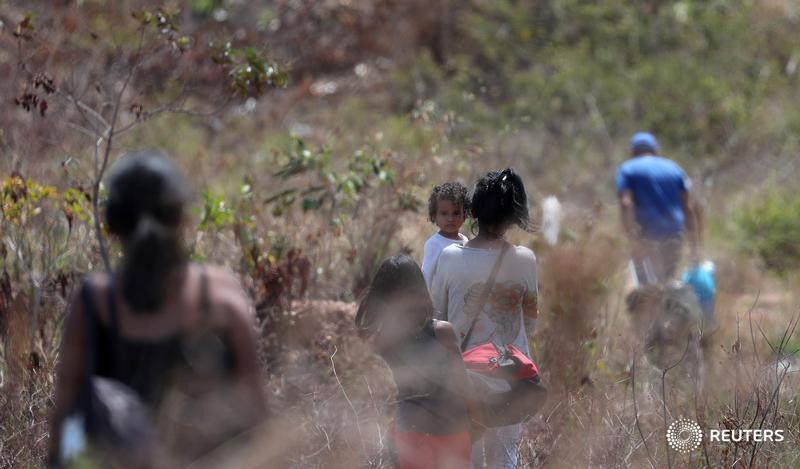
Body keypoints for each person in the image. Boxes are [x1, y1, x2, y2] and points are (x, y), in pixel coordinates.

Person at [48, 150, 266, 466]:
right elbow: (259, 421)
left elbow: (66, 420)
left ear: (113, 225)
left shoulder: (94, 300)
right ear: (182, 218)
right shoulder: (221, 295)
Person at [430, 168, 539, 469]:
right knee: (506, 459)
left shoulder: (449, 258)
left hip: (462, 381)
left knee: (467, 460)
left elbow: (438, 318)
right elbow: (531, 322)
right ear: (512, 220)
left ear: (472, 212)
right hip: (511, 378)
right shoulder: (524, 260)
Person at [355, 254, 481, 469]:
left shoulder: (382, 340)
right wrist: (477, 418)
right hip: (451, 428)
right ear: (419, 290)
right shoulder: (443, 332)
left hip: (409, 431)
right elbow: (463, 385)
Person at [616, 132, 701, 284]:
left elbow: (626, 204)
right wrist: (695, 246)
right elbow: (688, 207)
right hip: (675, 232)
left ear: (632, 151)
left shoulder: (627, 169)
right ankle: (669, 305)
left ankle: (651, 306)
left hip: (647, 234)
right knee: (666, 281)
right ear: (655, 150)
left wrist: (632, 239)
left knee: (646, 286)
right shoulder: (675, 168)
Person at [421, 182, 469, 288]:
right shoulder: (434, 244)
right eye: (444, 213)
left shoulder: (465, 241)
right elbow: (426, 276)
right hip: (441, 301)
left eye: (456, 213)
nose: (450, 219)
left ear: (464, 215)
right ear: (434, 216)